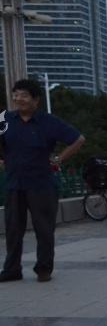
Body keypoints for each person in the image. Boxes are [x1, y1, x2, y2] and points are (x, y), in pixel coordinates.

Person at [1, 78, 84, 283]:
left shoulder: (48, 121)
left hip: (42, 185)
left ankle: (44, 268)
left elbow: (78, 139)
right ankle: (12, 269)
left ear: (35, 100)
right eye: (15, 94)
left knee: (44, 229)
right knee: (13, 230)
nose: (18, 99)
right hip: (14, 184)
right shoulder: (5, 120)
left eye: (23, 95)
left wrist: (59, 158)